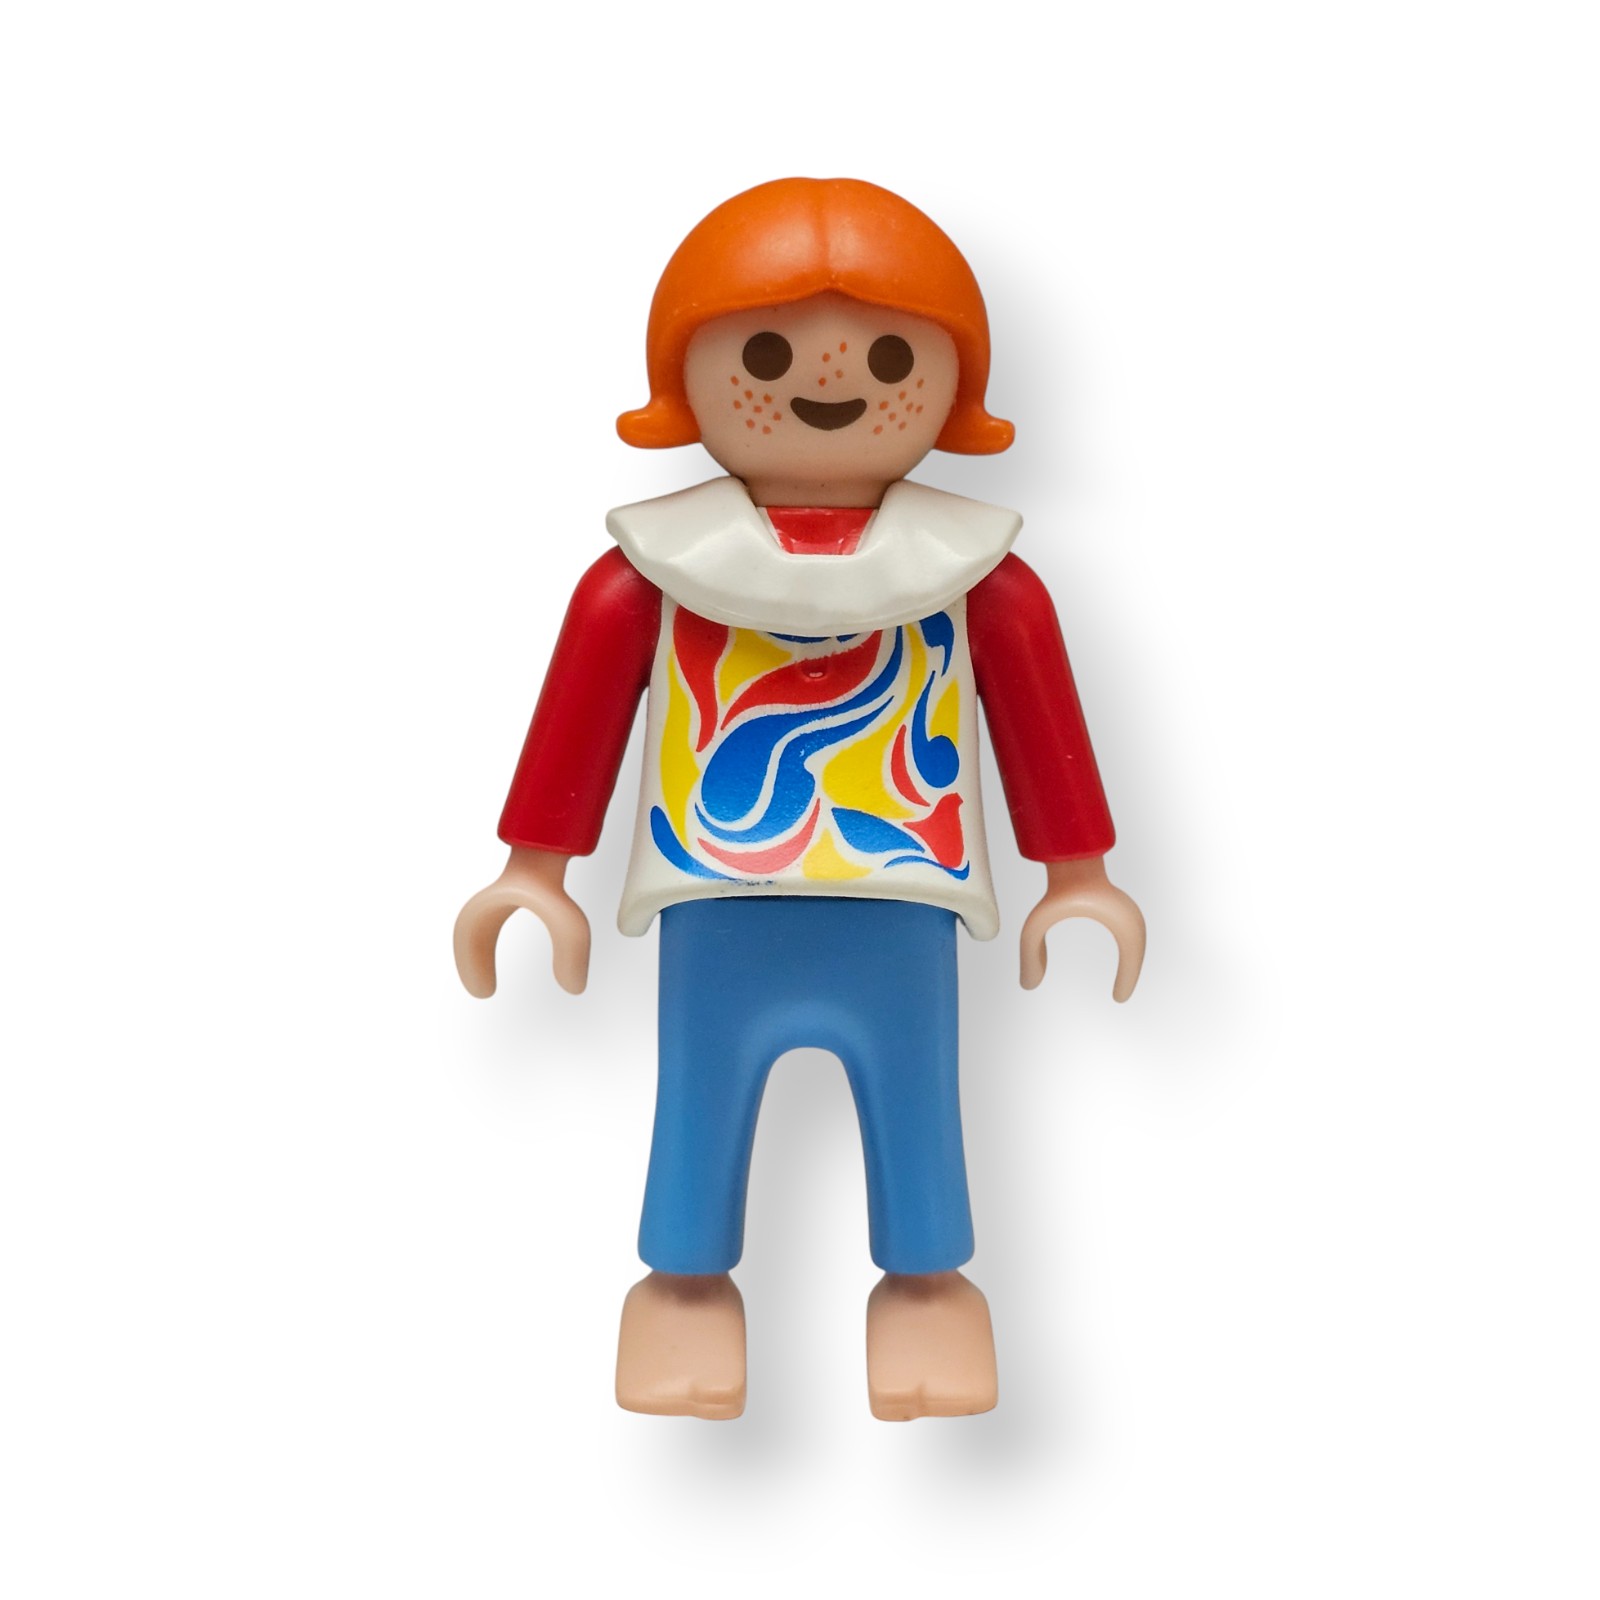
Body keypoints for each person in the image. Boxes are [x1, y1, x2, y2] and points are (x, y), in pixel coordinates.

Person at [454, 177, 1145, 1421]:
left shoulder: (973, 574)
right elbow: (584, 708)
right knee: (701, 1087)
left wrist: (1078, 871)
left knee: (915, 1089)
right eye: (763, 355)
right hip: (717, 888)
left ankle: (929, 1286)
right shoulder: (654, 571)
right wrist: (532, 868)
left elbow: (1034, 706)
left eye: (891, 357)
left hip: (900, 887)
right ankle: (682, 1288)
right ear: (683, 375)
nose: (832, 385)